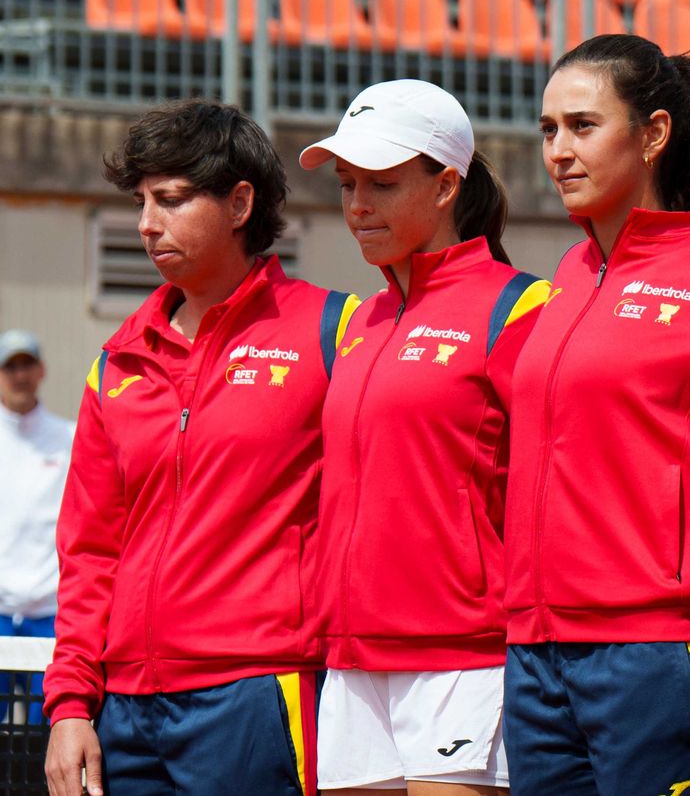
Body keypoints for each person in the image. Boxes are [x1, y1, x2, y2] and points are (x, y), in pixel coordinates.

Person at [44, 100, 357, 796]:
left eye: (173, 200)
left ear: (241, 202)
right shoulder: (117, 361)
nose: (147, 224)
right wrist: (69, 704)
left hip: (259, 693)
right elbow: (89, 550)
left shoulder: (337, 333)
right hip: (123, 707)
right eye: (141, 201)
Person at [503, 34, 690, 796]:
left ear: (652, 134)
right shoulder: (562, 284)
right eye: (549, 130)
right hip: (536, 650)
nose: (558, 151)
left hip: (657, 647)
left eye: (584, 126)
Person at [303, 80, 550, 795]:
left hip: (465, 657)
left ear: (446, 186)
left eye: (380, 184)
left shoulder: (519, 306)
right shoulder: (359, 324)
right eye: (347, 184)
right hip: (351, 659)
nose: (356, 206)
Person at [0, 329, 74, 726]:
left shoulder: (69, 437)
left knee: (44, 735)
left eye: (27, 364)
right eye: (10, 366)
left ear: (41, 370)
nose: (19, 375)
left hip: (49, 613)